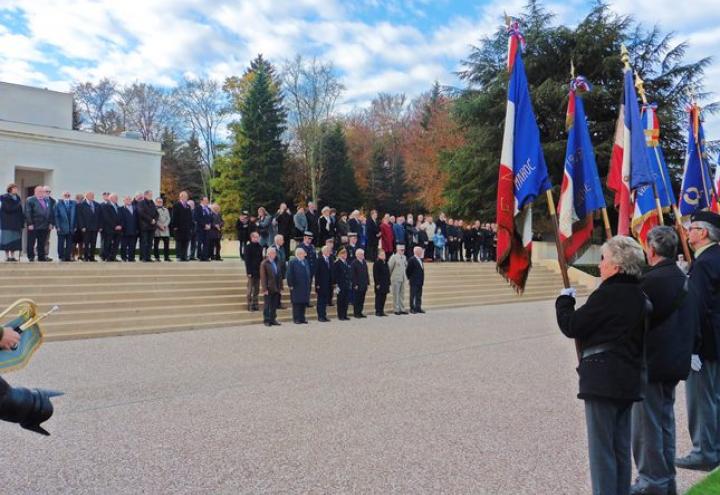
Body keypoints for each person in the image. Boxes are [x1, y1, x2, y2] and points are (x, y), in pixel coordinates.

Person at [555, 236, 648, 495]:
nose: (600, 265)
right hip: (627, 377)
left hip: (603, 378)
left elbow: (572, 325)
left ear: (617, 266)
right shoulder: (639, 293)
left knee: (602, 450)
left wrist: (564, 302)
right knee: (619, 447)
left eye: (604, 259)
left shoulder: (607, 294)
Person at [631, 226, 697, 495]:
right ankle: (666, 478)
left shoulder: (649, 281)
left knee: (647, 429)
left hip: (651, 362)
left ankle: (651, 482)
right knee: (665, 423)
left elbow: (635, 322)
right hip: (675, 360)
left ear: (652, 249)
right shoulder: (684, 277)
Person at [676, 211, 720, 472]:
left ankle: (704, 452)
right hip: (716, 339)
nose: (688, 232)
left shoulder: (703, 263)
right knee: (715, 397)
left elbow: (697, 307)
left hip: (705, 344)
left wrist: (693, 347)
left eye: (691, 228)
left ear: (703, 233)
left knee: (702, 400)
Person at [25, 185, 54, 262]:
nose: (42, 193)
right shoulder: (30, 200)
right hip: (34, 225)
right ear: (35, 192)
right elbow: (28, 212)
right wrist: (30, 223)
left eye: (43, 192)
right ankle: (31, 256)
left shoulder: (47, 200)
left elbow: (50, 213)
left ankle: (41, 256)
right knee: (31, 241)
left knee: (42, 242)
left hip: (44, 225)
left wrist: (51, 223)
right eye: (40, 191)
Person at [286, 247, 311, 324]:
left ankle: (302, 318)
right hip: (296, 286)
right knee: (297, 303)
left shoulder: (305, 261)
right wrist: (290, 284)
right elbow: (289, 274)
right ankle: (296, 319)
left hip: (304, 286)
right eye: (303, 253)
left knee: (303, 302)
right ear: (299, 254)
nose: (304, 255)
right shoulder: (292, 262)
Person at [259, 247, 283, 327]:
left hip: (276, 287)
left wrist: (281, 287)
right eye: (273, 253)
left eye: (275, 253)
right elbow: (263, 277)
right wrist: (264, 289)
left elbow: (279, 275)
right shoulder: (264, 263)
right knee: (267, 305)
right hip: (269, 288)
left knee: (274, 305)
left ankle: (273, 319)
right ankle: (266, 320)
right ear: (268, 254)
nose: (275, 254)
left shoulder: (276, 262)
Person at [0, 184, 24, 261]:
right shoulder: (4, 197)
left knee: (14, 239)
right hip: (7, 222)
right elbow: (7, 209)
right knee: (7, 239)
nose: (16, 190)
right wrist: (17, 205)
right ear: (10, 189)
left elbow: (20, 211)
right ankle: (7, 256)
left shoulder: (18, 198)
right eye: (14, 188)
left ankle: (13, 256)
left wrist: (22, 222)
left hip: (16, 223)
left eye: (16, 188)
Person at [77, 191, 101, 262]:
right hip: (86, 228)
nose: (92, 197)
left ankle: (92, 257)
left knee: (93, 243)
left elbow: (99, 217)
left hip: (95, 227)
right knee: (86, 243)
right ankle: (86, 257)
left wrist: (99, 226)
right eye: (90, 195)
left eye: (93, 195)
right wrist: (82, 227)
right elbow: (80, 217)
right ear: (86, 196)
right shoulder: (81, 205)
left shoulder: (97, 204)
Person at [171, 191, 193, 262]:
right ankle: (179, 256)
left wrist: (190, 226)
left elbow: (190, 217)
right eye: (185, 196)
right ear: (181, 197)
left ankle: (184, 256)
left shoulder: (188, 206)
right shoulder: (176, 205)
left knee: (185, 242)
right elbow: (174, 216)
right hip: (179, 227)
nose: (186, 198)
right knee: (179, 242)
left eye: (187, 197)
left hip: (187, 228)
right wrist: (175, 226)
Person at [137, 190, 159, 262]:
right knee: (144, 242)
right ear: (145, 195)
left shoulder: (152, 203)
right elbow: (141, 213)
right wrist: (150, 220)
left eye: (151, 195)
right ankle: (143, 257)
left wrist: (155, 220)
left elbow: (157, 213)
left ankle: (148, 257)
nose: (151, 196)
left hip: (152, 227)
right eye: (150, 195)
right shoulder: (141, 203)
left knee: (150, 243)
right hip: (144, 226)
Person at [54, 191, 76, 262]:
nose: (67, 196)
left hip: (71, 227)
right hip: (61, 227)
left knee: (69, 243)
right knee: (61, 243)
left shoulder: (73, 204)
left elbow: (76, 216)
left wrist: (75, 225)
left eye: (68, 195)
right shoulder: (58, 204)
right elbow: (56, 216)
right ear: (62, 196)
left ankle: (68, 257)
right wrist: (57, 226)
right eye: (65, 195)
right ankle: (61, 256)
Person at [244, 232, 263, 312]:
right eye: (256, 237)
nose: (257, 238)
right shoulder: (248, 247)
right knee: (250, 289)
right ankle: (249, 304)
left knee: (257, 289)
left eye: (258, 237)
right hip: (251, 271)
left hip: (258, 271)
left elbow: (261, 260)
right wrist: (249, 272)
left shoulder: (260, 247)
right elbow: (247, 261)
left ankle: (255, 304)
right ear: (252, 238)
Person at [100, 193, 122, 262]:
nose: (117, 199)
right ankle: (107, 257)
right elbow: (107, 218)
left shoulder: (118, 207)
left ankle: (113, 257)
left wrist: (120, 225)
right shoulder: (106, 206)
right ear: (111, 198)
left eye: (117, 198)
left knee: (116, 244)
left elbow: (121, 217)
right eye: (115, 198)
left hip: (118, 230)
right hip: (109, 229)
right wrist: (114, 226)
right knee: (107, 243)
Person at [315, 245, 334, 322]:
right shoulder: (319, 260)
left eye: (329, 251)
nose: (329, 252)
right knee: (320, 301)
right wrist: (317, 284)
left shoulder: (330, 259)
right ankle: (320, 316)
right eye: (328, 251)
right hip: (321, 284)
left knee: (325, 301)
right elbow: (317, 273)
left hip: (329, 284)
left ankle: (324, 315)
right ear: (324, 252)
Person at [388, 244, 408, 315]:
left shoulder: (404, 257)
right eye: (401, 250)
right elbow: (390, 268)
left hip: (402, 278)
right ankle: (396, 309)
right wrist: (389, 278)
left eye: (403, 250)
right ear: (397, 250)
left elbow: (405, 267)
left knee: (402, 294)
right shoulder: (394, 257)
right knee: (396, 294)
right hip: (395, 278)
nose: (403, 251)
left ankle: (402, 308)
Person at [333, 247, 351, 321]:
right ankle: (340, 315)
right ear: (339, 254)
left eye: (346, 253)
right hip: (340, 285)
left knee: (346, 300)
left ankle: (345, 314)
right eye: (343, 253)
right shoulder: (337, 263)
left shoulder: (346, 263)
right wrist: (336, 284)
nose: (345, 255)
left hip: (346, 284)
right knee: (340, 300)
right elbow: (335, 275)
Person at [406, 246, 426, 313]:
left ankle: (418, 307)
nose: (421, 252)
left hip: (420, 281)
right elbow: (408, 270)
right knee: (413, 295)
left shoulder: (420, 259)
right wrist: (410, 278)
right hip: (414, 281)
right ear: (416, 252)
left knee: (419, 295)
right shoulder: (412, 259)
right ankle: (412, 308)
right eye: (420, 251)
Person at [119, 195, 139, 262]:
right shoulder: (121, 209)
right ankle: (123, 257)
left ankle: (131, 258)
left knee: (132, 246)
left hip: (134, 230)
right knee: (124, 246)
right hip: (124, 231)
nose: (128, 200)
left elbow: (137, 220)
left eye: (129, 199)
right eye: (127, 199)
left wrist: (137, 229)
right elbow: (120, 220)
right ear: (124, 201)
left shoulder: (135, 208)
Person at [351, 248, 369, 318]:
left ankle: (360, 312)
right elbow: (353, 275)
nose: (363, 255)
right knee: (357, 299)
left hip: (364, 284)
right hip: (357, 285)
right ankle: (356, 313)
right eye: (361, 254)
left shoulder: (364, 262)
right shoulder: (354, 263)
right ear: (357, 255)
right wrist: (355, 284)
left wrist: (368, 282)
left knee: (362, 299)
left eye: (363, 254)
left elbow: (366, 273)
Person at [373, 249, 391, 317]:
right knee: (379, 298)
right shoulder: (377, 263)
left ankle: (382, 310)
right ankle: (378, 311)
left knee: (384, 298)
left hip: (385, 283)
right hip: (380, 284)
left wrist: (389, 282)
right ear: (378, 256)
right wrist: (377, 283)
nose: (384, 256)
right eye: (382, 255)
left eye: (384, 254)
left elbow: (388, 273)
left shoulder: (385, 262)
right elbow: (376, 274)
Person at [153, 197, 171, 262]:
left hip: (165, 229)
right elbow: (154, 219)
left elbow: (168, 218)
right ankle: (157, 257)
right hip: (157, 229)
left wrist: (165, 225)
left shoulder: (166, 209)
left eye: (161, 202)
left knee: (166, 244)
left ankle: (166, 257)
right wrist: (160, 225)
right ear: (156, 202)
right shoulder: (153, 209)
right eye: (158, 202)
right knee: (156, 244)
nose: (160, 203)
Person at [194, 197, 213, 261]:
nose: (207, 202)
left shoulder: (208, 209)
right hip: (200, 229)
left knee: (206, 243)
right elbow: (197, 218)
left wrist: (210, 224)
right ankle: (200, 256)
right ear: (201, 201)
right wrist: (204, 225)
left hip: (207, 229)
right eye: (206, 200)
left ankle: (205, 256)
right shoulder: (198, 208)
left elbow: (211, 218)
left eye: (207, 201)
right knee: (200, 243)